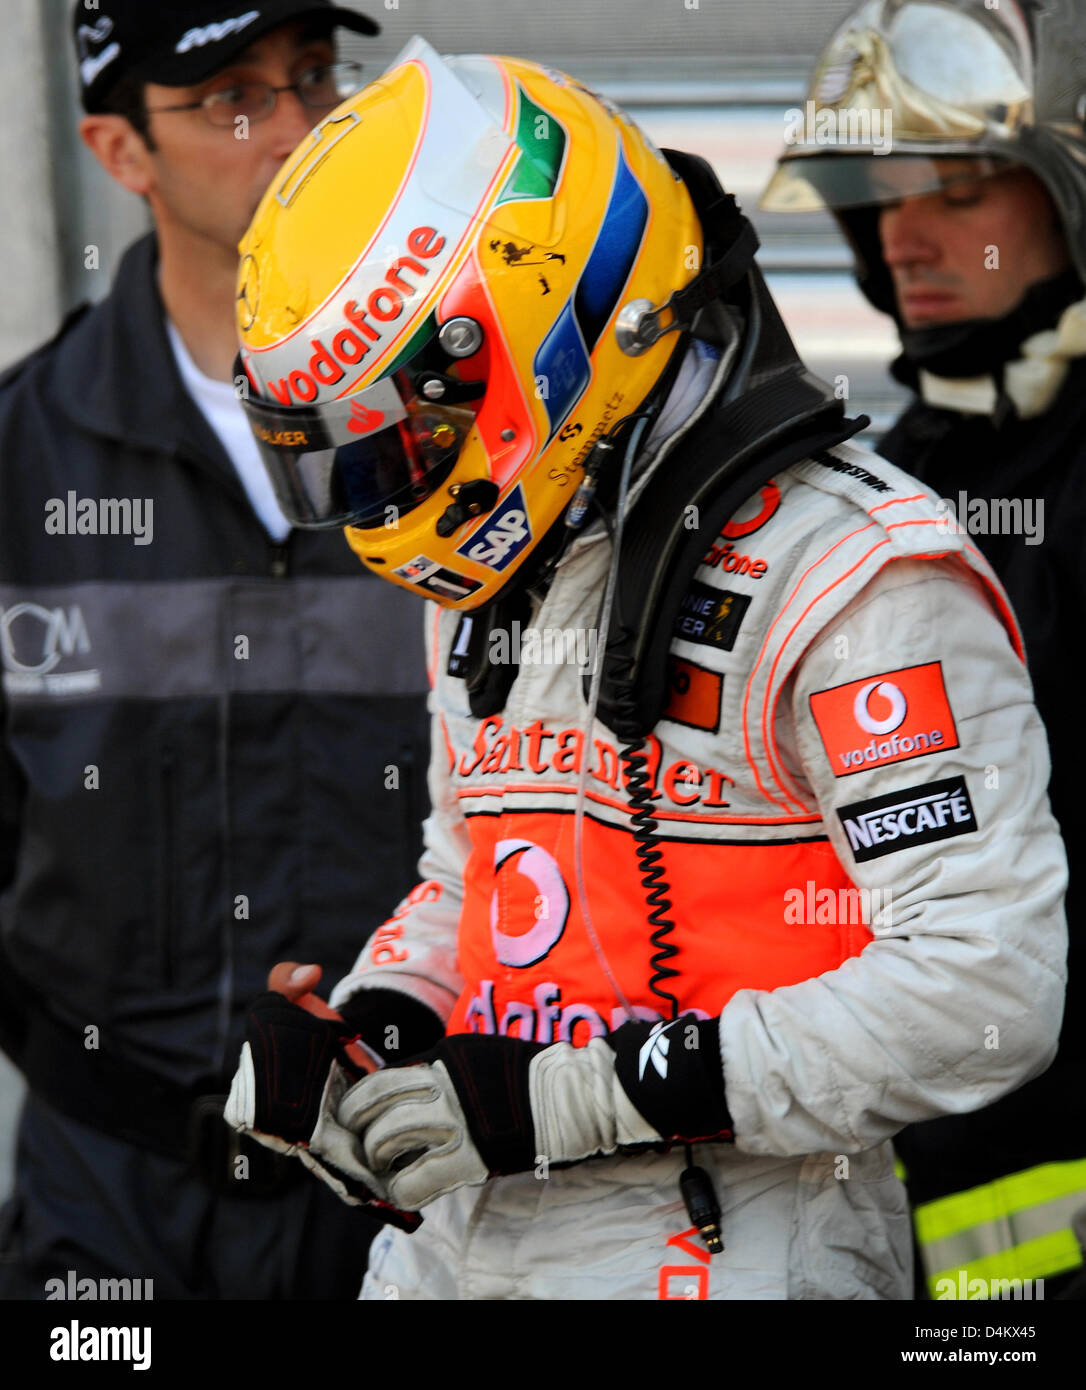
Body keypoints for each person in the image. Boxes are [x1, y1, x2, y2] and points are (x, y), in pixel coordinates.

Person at [224, 37, 1068, 1300]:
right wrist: (383, 1024)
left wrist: (580, 1097)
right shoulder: (500, 559)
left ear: (543, 340)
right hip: (464, 1236)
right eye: (347, 455)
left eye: (407, 434)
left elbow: (985, 981)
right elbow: (476, 873)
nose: (380, 488)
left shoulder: (854, 574)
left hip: (742, 1239)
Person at [0, 0, 433, 1300]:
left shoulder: (472, 433)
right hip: (110, 1221)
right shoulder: (26, 465)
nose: (299, 129)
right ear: (122, 152)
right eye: (234, 97)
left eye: (312, 76)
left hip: (425, 1199)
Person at [761, 0, 1086, 1298]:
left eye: (954, 186)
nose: (901, 233)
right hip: (884, 1221)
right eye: (874, 195)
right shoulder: (862, 496)